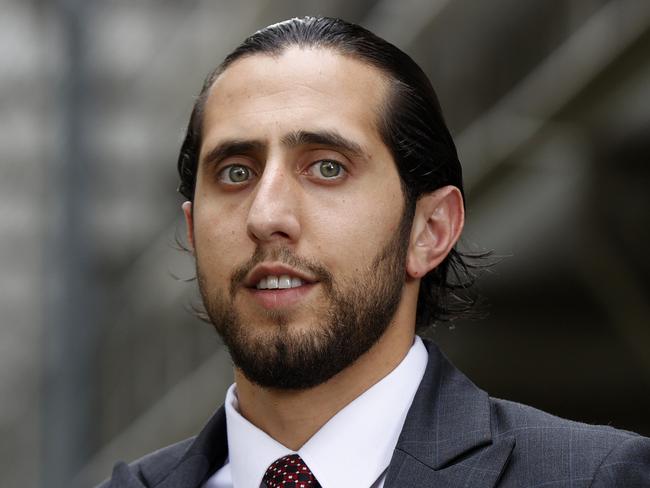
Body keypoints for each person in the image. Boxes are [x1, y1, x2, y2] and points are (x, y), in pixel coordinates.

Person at [99, 16, 650, 488]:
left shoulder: (595, 476)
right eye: (236, 172)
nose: (266, 216)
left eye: (327, 167)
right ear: (193, 232)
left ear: (430, 230)